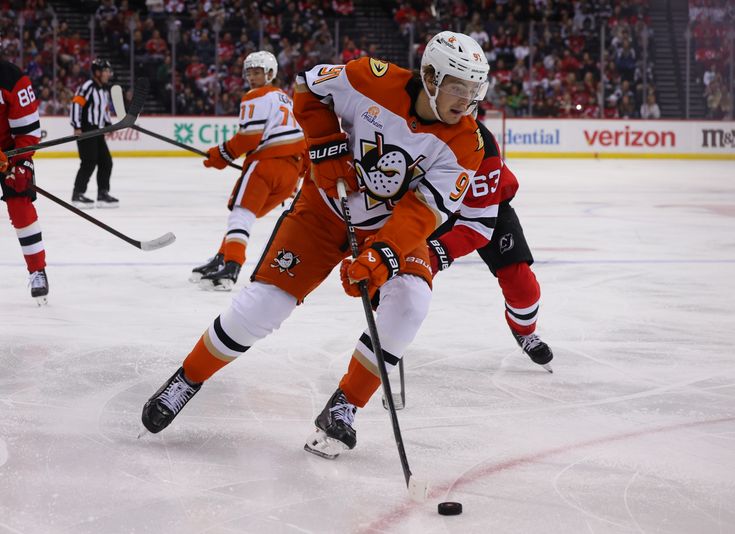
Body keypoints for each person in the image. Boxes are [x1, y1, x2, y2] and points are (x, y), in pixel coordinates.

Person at [140, 31, 490, 461]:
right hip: (324, 209)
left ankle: (344, 405)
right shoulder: (369, 79)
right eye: (459, 87)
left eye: (475, 90)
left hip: (387, 227)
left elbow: (423, 212)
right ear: (431, 77)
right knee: (264, 305)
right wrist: (325, 147)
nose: (467, 100)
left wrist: (381, 256)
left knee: (413, 300)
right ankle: (187, 379)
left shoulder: (468, 142)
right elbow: (307, 88)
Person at [424, 118, 553, 371]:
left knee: (523, 286)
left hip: (488, 207)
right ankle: (390, 332)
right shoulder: (411, 126)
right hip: (433, 208)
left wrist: (436, 254)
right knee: (405, 277)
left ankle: (524, 330)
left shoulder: (480, 141)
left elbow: (477, 226)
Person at [190, 51, 307, 291]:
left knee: (240, 215)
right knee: (245, 217)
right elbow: (304, 141)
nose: (252, 78)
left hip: (266, 166)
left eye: (257, 72)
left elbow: (249, 138)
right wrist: (297, 176)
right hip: (290, 173)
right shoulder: (288, 100)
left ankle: (231, 267)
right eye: (250, 73)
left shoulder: (256, 96)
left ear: (270, 74)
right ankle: (221, 258)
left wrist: (220, 155)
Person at [0, 59, 48, 305]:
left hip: (11, 153)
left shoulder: (12, 78)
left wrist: (18, 162)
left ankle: (37, 270)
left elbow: (27, 131)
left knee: (20, 203)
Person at [70, 59, 117, 208]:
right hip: (86, 130)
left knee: (106, 161)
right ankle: (77, 194)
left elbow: (104, 111)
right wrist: (77, 126)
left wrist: (108, 125)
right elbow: (76, 104)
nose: (108, 74)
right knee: (89, 162)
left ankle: (102, 193)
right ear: (97, 72)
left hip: (98, 130)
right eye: (105, 71)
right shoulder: (88, 87)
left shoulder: (104, 90)